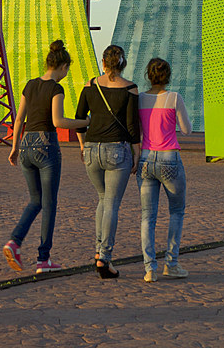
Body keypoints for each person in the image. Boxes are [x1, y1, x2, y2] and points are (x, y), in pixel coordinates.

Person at [3, 40, 89, 274]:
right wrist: (86, 122)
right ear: (62, 66)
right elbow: (57, 121)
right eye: (67, 70)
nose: (66, 74)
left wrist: (15, 147)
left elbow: (19, 119)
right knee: (49, 203)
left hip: (27, 145)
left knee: (35, 201)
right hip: (46, 146)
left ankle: (15, 241)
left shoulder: (30, 85)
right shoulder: (56, 89)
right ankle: (43, 259)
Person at [75, 45, 141, 279]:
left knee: (102, 200)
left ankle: (97, 251)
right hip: (117, 150)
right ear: (122, 64)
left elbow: (80, 118)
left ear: (103, 62)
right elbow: (133, 126)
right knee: (111, 204)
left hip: (92, 149)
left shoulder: (90, 86)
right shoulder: (131, 89)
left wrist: (83, 145)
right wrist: (137, 152)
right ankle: (104, 258)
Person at [137, 57, 192, 282]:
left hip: (145, 158)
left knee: (147, 216)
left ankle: (150, 268)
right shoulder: (174, 98)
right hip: (170, 157)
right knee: (176, 211)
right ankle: (172, 263)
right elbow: (187, 130)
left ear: (148, 76)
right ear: (167, 76)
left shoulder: (140, 99)